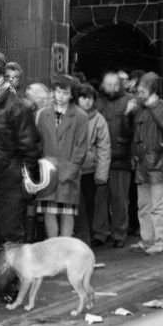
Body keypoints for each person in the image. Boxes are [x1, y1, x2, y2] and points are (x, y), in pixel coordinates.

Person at [0, 50, 41, 303]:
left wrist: (30, 180)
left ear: (0, 76)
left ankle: (13, 287)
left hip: (9, 182)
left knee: (12, 236)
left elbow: (30, 145)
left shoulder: (15, 106)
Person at [35, 76, 89, 239]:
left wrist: (71, 170)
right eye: (58, 92)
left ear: (72, 95)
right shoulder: (43, 114)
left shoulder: (80, 116)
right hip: (48, 170)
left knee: (67, 212)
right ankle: (53, 246)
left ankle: (65, 246)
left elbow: (81, 147)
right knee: (49, 212)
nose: (60, 96)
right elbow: (38, 142)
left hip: (68, 169)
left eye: (65, 93)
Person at [127, 72, 163, 255]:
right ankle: (147, 239)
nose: (139, 93)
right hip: (141, 162)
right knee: (144, 204)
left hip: (157, 162)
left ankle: (160, 241)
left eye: (142, 90)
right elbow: (133, 135)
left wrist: (152, 105)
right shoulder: (139, 108)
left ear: (152, 90)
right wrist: (128, 114)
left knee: (158, 204)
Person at [93, 71, 133, 248]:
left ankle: (119, 233)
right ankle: (101, 233)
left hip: (121, 156)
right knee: (100, 199)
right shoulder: (97, 101)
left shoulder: (128, 101)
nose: (111, 88)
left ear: (120, 85)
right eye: (107, 84)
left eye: (114, 84)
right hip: (100, 158)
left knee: (119, 199)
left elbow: (133, 130)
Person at [76, 84, 111, 246]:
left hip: (90, 169)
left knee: (90, 205)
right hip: (73, 168)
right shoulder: (71, 116)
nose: (87, 102)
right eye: (83, 98)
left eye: (90, 98)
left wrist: (101, 174)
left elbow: (104, 147)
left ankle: (88, 237)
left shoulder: (99, 119)